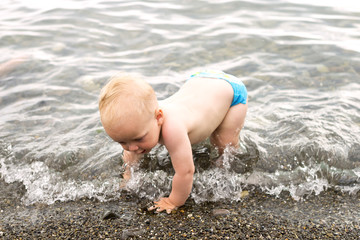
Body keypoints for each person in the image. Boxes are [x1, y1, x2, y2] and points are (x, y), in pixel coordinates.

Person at [99, 70, 248, 213]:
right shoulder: (142, 122)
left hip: (231, 93)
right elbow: (130, 153)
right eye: (122, 142)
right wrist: (128, 176)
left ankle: (235, 174)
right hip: (201, 81)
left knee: (223, 144)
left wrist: (174, 201)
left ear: (159, 118)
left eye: (139, 139)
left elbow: (186, 172)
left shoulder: (172, 129)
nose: (132, 147)